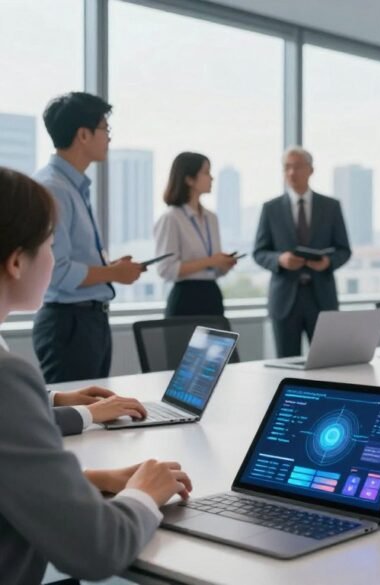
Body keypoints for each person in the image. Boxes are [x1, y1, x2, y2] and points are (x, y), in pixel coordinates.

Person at [0, 167, 192, 582]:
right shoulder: (5, 377)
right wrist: (145, 494)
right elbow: (99, 550)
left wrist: (89, 480)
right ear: (17, 261)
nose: (53, 260)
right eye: (50, 246)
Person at [32, 92, 145, 383]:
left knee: (93, 416)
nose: (108, 138)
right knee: (74, 421)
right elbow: (57, 272)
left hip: (87, 321)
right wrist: (113, 273)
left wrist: (110, 268)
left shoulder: (73, 186)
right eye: (105, 130)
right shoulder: (53, 189)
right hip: (69, 325)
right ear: (83, 135)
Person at [253, 146, 352, 358]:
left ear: (311, 170)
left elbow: (344, 249)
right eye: (286, 167)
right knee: (286, 365)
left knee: (327, 363)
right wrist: (280, 259)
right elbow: (259, 252)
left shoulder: (330, 207)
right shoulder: (270, 208)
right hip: (285, 300)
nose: (291, 173)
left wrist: (327, 262)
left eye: (297, 167)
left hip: (321, 298)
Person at [154, 152, 237, 317]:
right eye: (206, 172)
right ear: (189, 179)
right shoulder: (171, 218)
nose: (211, 178)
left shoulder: (211, 218)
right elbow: (166, 269)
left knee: (217, 343)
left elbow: (213, 268)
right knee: (182, 343)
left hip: (212, 295)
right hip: (186, 299)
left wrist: (223, 264)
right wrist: (211, 261)